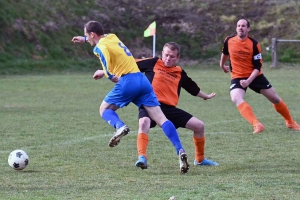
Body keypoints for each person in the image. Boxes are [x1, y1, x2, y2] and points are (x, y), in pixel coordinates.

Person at [71, 20, 189, 173]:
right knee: (161, 119)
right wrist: (85, 39)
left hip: (127, 81)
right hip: (142, 81)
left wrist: (108, 75)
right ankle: (180, 150)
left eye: (88, 35)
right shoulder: (112, 36)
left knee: (104, 109)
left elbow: (104, 57)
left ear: (92, 34)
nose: (88, 39)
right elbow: (102, 39)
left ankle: (120, 127)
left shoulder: (99, 47)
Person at [134, 42, 219, 170]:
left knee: (199, 126)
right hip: (150, 104)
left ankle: (200, 160)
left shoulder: (179, 72)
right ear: (162, 53)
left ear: (177, 57)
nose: (168, 58)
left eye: (172, 56)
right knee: (143, 123)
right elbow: (128, 65)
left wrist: (205, 96)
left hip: (169, 108)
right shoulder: (153, 62)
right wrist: (105, 70)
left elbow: (192, 88)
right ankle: (142, 158)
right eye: (166, 55)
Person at [219, 19, 300, 134]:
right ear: (236, 28)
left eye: (243, 26)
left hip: (255, 76)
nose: (240, 28)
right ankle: (257, 125)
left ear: (248, 29)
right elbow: (225, 53)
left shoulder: (254, 44)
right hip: (237, 76)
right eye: (238, 26)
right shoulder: (229, 40)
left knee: (275, 98)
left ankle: (290, 122)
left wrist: (248, 81)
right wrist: (222, 65)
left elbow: (258, 67)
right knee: (235, 98)